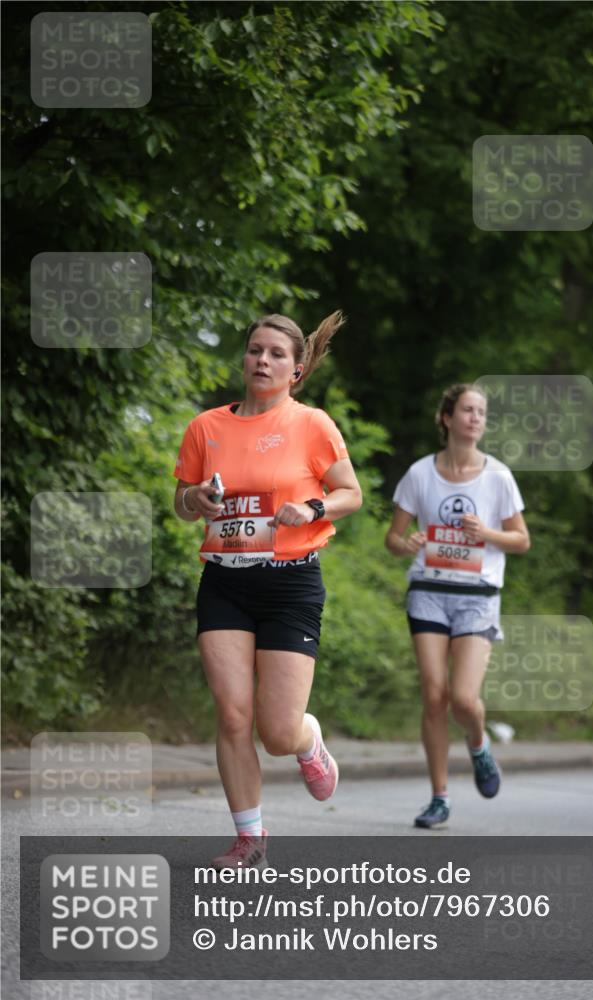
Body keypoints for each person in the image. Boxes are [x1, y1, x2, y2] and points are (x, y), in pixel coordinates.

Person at [173, 310, 362, 867]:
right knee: (233, 715)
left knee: (276, 731)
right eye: (256, 350)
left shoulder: (312, 425)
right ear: (245, 357)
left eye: (276, 354)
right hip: (225, 582)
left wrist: (312, 507)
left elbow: (351, 492)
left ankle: (307, 741)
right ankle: (249, 837)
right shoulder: (206, 427)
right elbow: (181, 502)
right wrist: (196, 501)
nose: (263, 360)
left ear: (296, 370)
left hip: (290, 585)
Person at [385, 384, 529, 828]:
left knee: (464, 699)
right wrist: (405, 543)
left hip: (477, 597)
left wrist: (486, 533)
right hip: (428, 590)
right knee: (434, 696)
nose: (475, 418)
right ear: (447, 418)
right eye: (467, 410)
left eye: (481, 412)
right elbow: (393, 538)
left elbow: (521, 540)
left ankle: (479, 745)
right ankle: (439, 797)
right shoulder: (419, 474)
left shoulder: (499, 476)